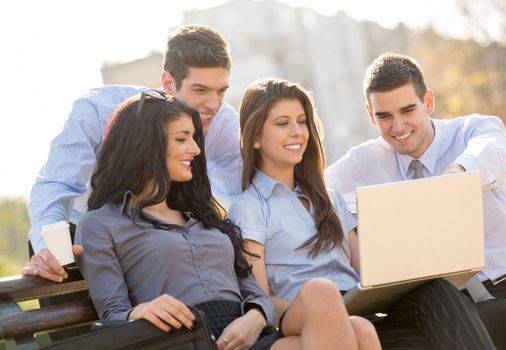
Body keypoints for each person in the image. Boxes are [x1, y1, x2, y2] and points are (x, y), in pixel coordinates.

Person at [76, 91, 368, 350]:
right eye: (182, 139)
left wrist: (254, 318)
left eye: (194, 137)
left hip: (247, 335)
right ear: (144, 146)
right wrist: (137, 312)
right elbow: (112, 314)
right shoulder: (101, 224)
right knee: (326, 298)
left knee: (359, 328)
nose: (196, 149)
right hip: (185, 338)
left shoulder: (203, 217)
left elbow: (254, 292)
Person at [229, 78, 496, 350]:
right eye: (282, 123)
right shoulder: (250, 206)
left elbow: (365, 274)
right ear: (256, 137)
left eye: (301, 121)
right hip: (305, 312)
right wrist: (329, 312)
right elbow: (262, 299)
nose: (297, 131)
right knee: (337, 307)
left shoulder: (329, 197)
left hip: (358, 308)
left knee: (438, 292)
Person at [325, 52, 506, 350]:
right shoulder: (361, 163)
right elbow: (315, 189)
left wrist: (454, 176)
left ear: (428, 102)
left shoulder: (473, 131)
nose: (398, 126)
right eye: (384, 116)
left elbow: (491, 151)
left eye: (408, 110)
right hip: (448, 308)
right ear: (370, 115)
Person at [24, 24, 243, 283]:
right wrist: (48, 248)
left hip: (159, 235)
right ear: (168, 82)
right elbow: (56, 185)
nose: (214, 105)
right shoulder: (97, 110)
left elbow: (244, 193)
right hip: (80, 233)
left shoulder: (223, 122)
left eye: (221, 90)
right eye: (201, 90)